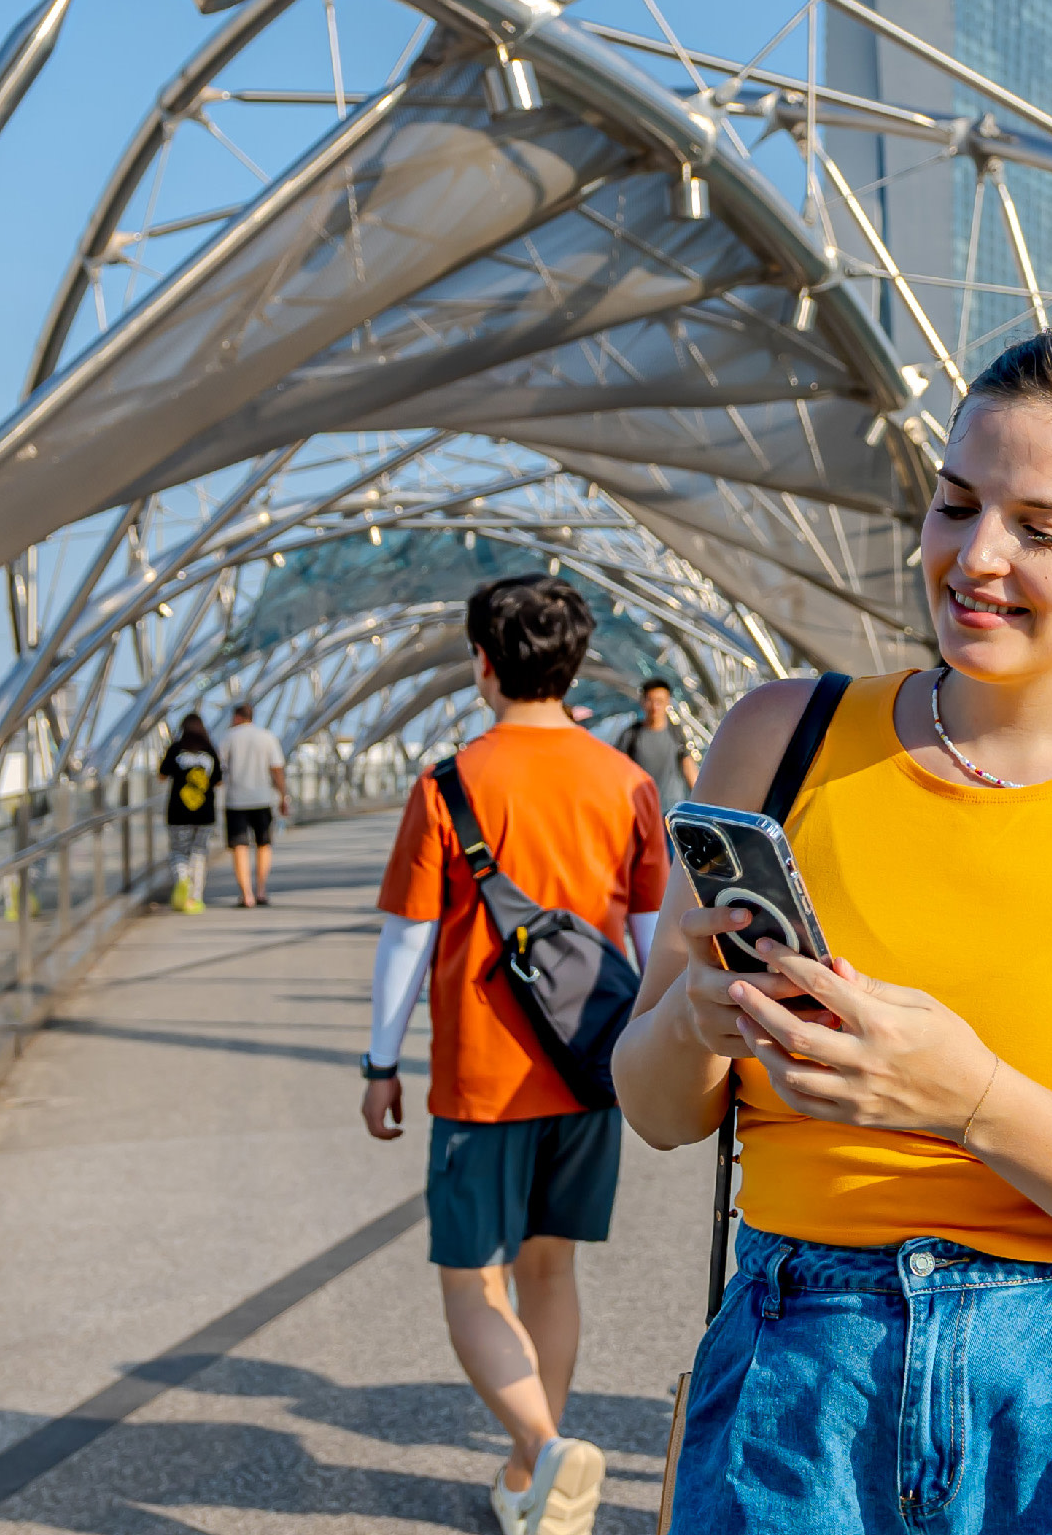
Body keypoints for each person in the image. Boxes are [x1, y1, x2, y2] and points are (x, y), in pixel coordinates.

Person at [613, 329, 1052, 1534]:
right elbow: (656, 1105)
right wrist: (697, 1012)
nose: (974, 557)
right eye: (954, 504)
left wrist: (968, 1098)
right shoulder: (782, 741)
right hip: (801, 1384)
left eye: (1040, 530)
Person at [360, 573, 669, 1535]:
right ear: (576, 666)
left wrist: (380, 1066)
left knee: (471, 1282)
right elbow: (657, 937)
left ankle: (544, 1450)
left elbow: (407, 941)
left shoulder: (450, 783)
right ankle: (533, 1477)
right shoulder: (628, 782)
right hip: (592, 1069)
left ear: (483, 664)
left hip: (482, 1079)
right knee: (551, 1270)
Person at [220, 702, 288, 907]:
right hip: (262, 799)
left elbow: (219, 769)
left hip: (235, 801)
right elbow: (276, 770)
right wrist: (284, 796)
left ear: (237, 717)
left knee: (239, 846)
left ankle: (246, 894)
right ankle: (261, 890)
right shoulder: (267, 737)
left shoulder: (228, 737)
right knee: (263, 844)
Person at [158, 713, 220, 915]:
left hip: (178, 813)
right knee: (199, 854)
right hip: (205, 814)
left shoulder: (176, 749)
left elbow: (162, 775)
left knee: (178, 852)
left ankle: (183, 879)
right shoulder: (210, 750)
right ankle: (196, 897)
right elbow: (219, 780)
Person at [615, 677, 698, 812]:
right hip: (640, 810)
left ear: (668, 702)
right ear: (642, 702)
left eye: (660, 702)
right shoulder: (631, 735)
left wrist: (700, 801)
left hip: (671, 812)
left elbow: (688, 766)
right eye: (650, 701)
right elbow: (618, 771)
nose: (655, 707)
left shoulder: (677, 733)